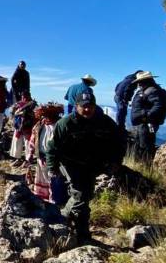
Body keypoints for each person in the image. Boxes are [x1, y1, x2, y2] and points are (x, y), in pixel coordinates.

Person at [46, 92, 126, 241]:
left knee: (85, 195)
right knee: (80, 194)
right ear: (76, 107)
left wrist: (116, 162)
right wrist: (52, 167)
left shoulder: (105, 122)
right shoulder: (66, 123)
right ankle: (83, 234)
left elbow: (119, 142)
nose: (87, 109)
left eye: (91, 106)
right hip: (70, 164)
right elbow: (52, 147)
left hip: (93, 165)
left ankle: (63, 218)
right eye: (84, 107)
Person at [130, 71, 166, 164]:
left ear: (146, 80)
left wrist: (145, 116)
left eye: (140, 81)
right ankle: (141, 164)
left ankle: (145, 165)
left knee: (145, 145)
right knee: (141, 144)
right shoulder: (148, 90)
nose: (138, 84)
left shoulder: (152, 90)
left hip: (146, 123)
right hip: (142, 123)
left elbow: (158, 106)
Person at [28, 102, 64, 201]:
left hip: (55, 159)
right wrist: (30, 154)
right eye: (47, 115)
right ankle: (43, 199)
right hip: (41, 158)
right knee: (44, 179)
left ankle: (54, 201)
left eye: (52, 115)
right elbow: (33, 140)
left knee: (54, 180)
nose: (49, 117)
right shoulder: (39, 125)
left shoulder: (59, 126)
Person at [9, 92, 37, 166]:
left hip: (28, 126)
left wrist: (20, 112)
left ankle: (28, 160)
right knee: (17, 142)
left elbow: (34, 114)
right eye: (22, 96)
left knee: (28, 144)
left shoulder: (33, 104)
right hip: (19, 126)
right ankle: (18, 159)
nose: (23, 97)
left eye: (25, 96)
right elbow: (12, 111)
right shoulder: (19, 104)